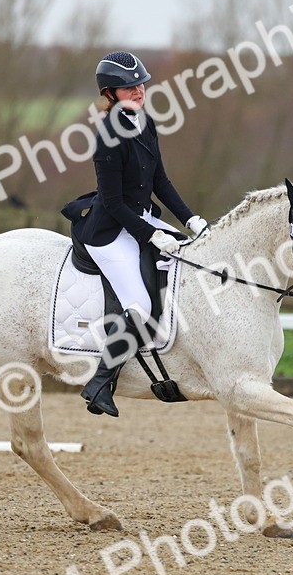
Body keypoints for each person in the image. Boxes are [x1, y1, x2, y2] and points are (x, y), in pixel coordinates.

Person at [73, 51, 208, 418]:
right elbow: (114, 203)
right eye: (129, 86)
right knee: (141, 306)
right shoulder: (106, 137)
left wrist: (190, 220)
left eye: (141, 83)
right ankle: (100, 382)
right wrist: (152, 235)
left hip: (142, 219)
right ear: (111, 93)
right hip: (110, 231)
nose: (139, 90)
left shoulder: (146, 124)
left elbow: (159, 181)